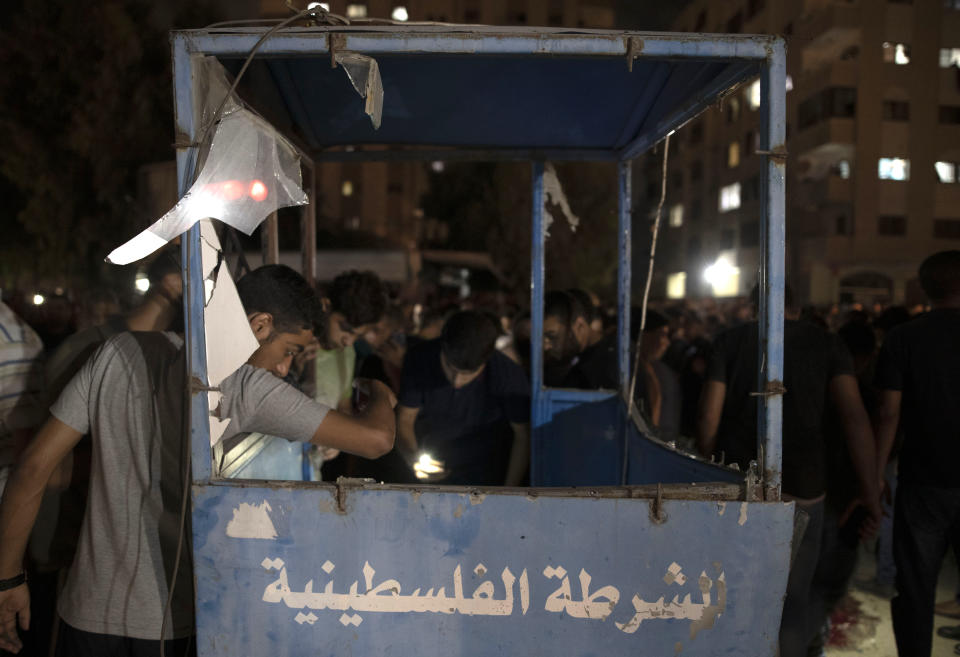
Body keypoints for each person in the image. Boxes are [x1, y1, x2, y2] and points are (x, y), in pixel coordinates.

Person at [0, 264, 396, 656]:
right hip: (170, 623)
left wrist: (8, 579)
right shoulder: (245, 388)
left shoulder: (116, 351)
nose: (283, 368)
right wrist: (379, 390)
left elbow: (32, 467)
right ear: (259, 325)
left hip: (85, 613)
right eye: (287, 351)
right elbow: (377, 440)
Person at [696, 285, 880, 657]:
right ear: (799, 306)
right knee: (792, 602)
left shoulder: (730, 341)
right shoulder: (828, 344)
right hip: (804, 485)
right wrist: (870, 492)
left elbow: (707, 422)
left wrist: (710, 462)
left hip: (738, 484)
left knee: (734, 594)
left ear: (752, 305)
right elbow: (855, 418)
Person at [874, 251, 960, 656]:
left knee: (915, 587)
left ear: (925, 288)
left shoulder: (904, 337)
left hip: (923, 478)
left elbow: (889, 412)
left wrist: (875, 472)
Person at [396, 310, 530, 486]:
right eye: (451, 368)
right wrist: (412, 459)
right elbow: (404, 419)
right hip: (431, 467)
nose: (457, 380)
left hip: (486, 474)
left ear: (486, 361)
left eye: (467, 374)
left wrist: (509, 492)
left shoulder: (508, 376)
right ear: (443, 346)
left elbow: (523, 436)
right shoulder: (420, 358)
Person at [542, 291, 618, 390]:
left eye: (553, 336)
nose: (546, 346)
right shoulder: (569, 361)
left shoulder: (613, 361)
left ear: (579, 326)